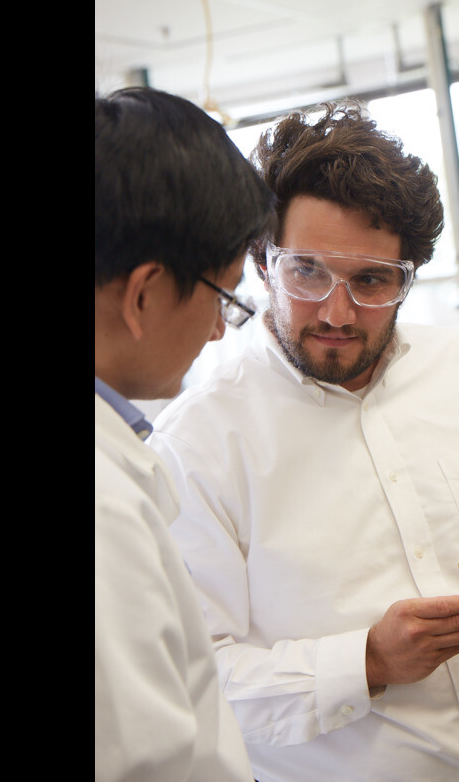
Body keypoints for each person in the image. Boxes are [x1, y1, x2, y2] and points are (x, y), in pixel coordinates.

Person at [149, 101, 459, 782]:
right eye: (306, 271)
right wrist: (365, 662)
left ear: (408, 278)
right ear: (262, 260)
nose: (337, 313)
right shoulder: (197, 444)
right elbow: (197, 679)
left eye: (371, 280)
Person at [94, 86, 275, 781]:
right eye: (223, 296)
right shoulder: (104, 511)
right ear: (143, 295)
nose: (213, 330)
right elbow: (144, 763)